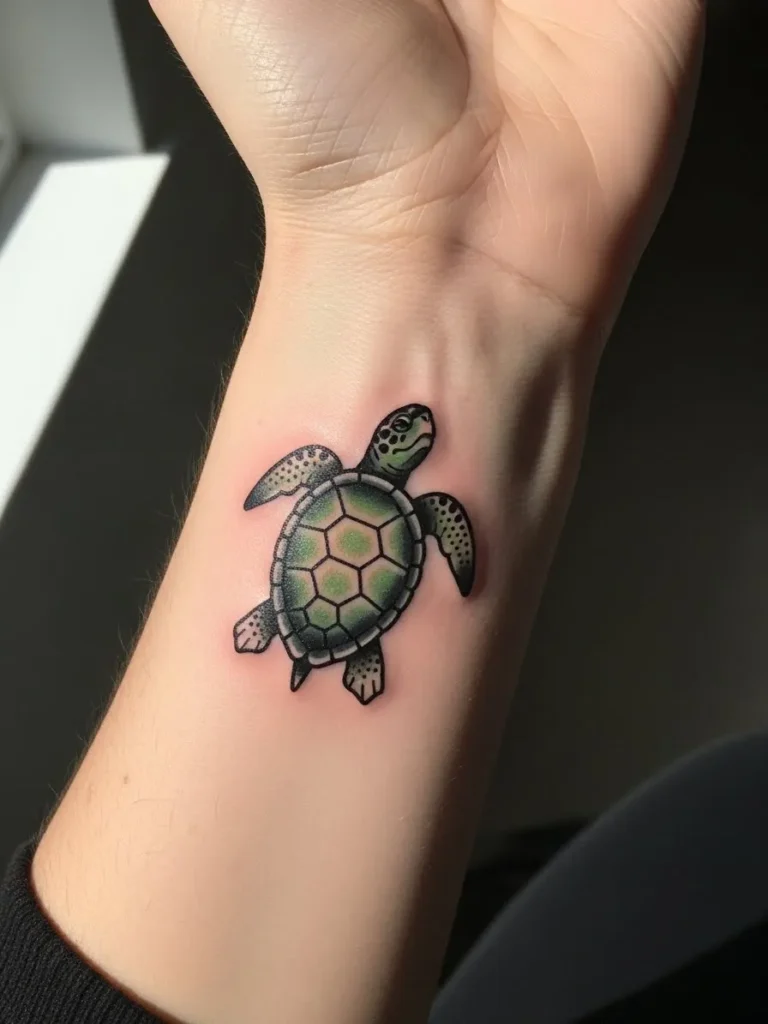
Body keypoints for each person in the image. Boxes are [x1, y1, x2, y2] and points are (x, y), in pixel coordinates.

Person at [0, 0, 708, 1021]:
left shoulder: (350, 482)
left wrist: (426, 256)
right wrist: (410, 242)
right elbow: (437, 532)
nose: (411, 442)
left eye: (410, 439)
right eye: (410, 439)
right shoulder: (428, 514)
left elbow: (303, 485)